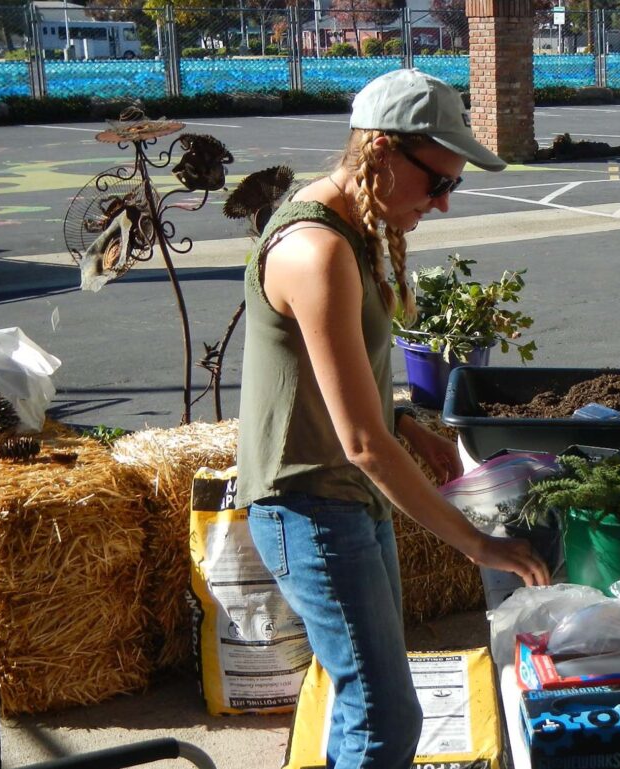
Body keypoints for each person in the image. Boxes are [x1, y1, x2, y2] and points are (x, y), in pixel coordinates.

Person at [235, 69, 550, 769]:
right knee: (384, 715)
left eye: (452, 187)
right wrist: (479, 545)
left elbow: (343, 390)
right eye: (437, 183)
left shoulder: (352, 228)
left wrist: (407, 421)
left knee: (369, 704)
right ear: (380, 153)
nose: (441, 205)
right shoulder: (316, 251)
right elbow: (360, 443)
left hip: (342, 498)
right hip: (308, 505)